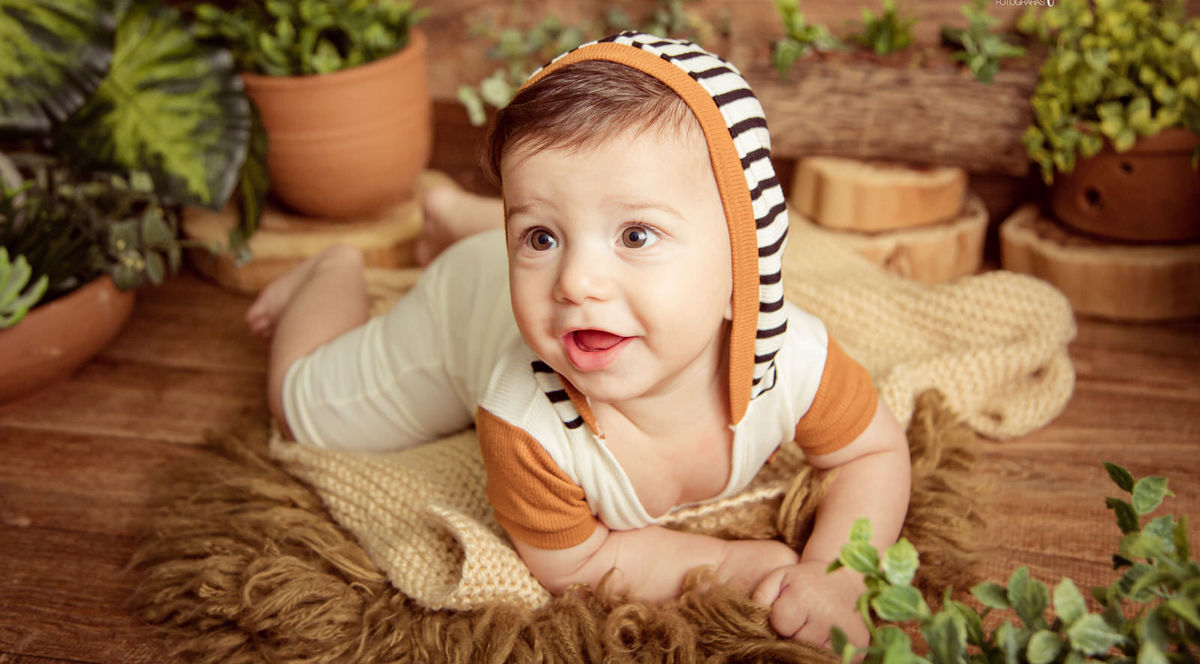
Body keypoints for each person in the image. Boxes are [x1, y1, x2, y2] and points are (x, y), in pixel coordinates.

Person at [246, 32, 911, 647]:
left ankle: (459, 216)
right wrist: (724, 564)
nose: (576, 282)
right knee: (300, 407)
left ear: (746, 262)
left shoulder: (794, 360)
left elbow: (872, 454)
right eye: (539, 238)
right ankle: (334, 269)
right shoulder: (528, 425)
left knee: (565, 216)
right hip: (459, 314)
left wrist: (840, 571)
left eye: (636, 235)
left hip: (493, 258)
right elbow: (580, 561)